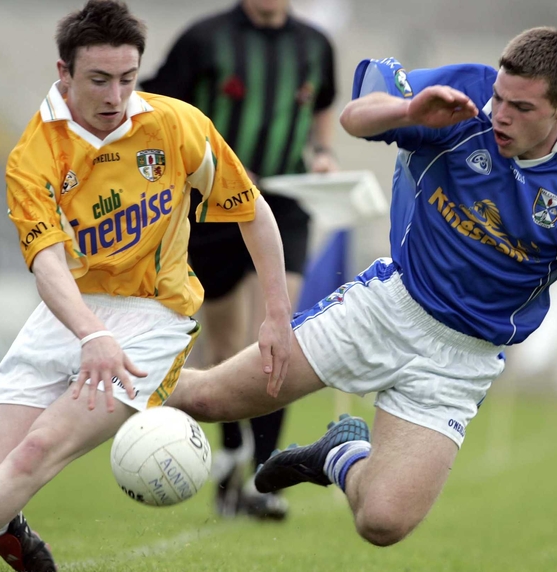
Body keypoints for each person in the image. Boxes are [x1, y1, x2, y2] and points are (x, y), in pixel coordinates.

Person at [165, 26, 557, 546]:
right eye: (499, 97)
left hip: (462, 361)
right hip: (388, 307)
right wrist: (408, 113)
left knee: (381, 523)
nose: (500, 114)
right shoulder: (463, 96)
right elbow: (354, 118)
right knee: (209, 399)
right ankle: (105, 378)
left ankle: (338, 452)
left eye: (521, 107)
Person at [0, 1, 291, 569]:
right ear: (64, 73)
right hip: (70, 310)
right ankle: (8, 523)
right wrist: (91, 333)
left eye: (127, 78)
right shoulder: (35, 153)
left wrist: (276, 313)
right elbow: (47, 263)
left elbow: (252, 210)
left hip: (155, 315)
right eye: (99, 79)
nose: (116, 96)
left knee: (37, 451)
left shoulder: (175, 124)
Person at [141, 0, 337, 519]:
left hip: (286, 204)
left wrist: (323, 153)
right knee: (226, 345)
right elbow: (156, 107)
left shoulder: (315, 45)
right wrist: (203, 161)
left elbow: (322, 105)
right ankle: (231, 456)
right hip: (213, 206)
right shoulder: (204, 39)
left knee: (277, 332)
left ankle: (265, 475)